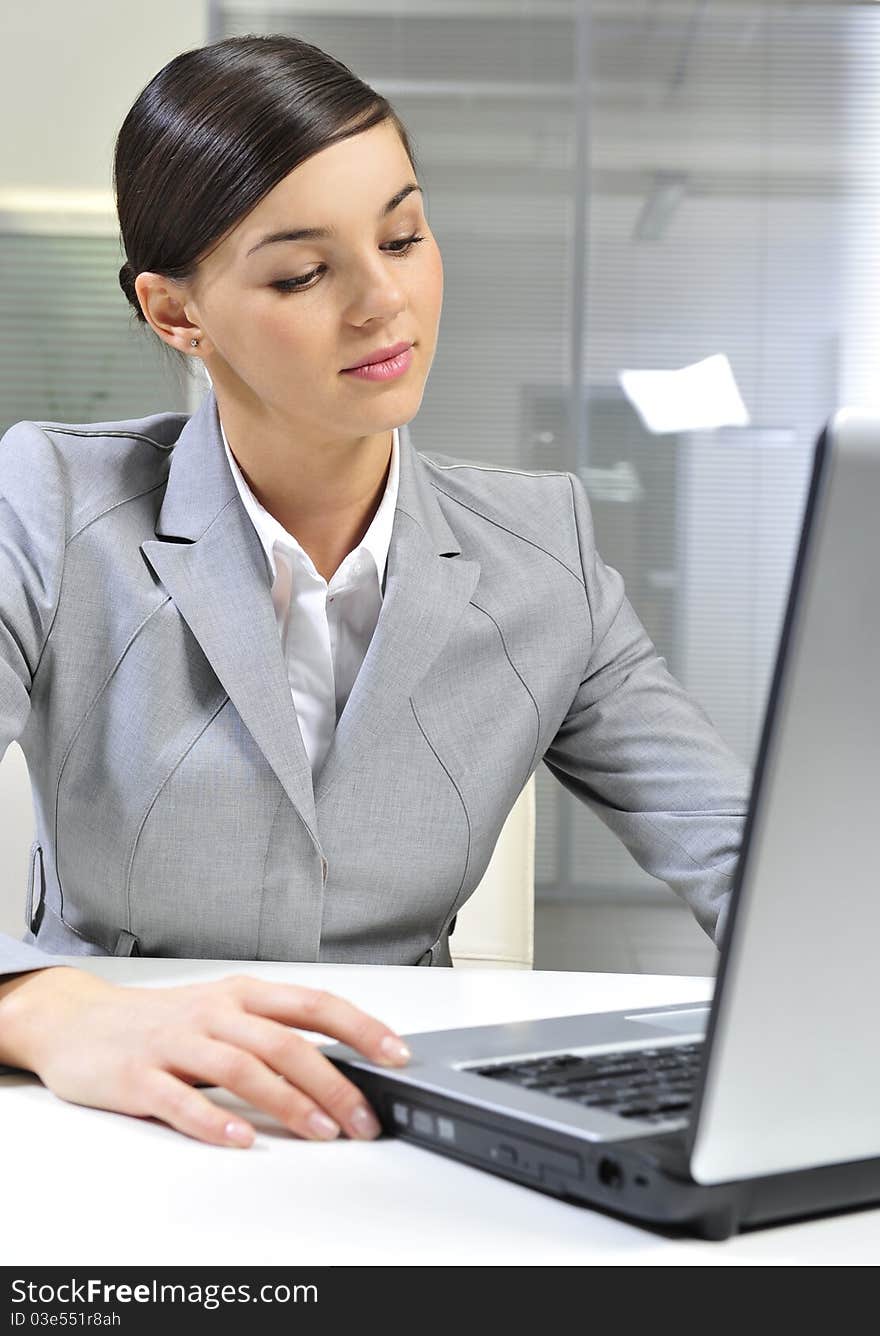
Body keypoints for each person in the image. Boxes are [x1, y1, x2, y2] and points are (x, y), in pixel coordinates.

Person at [0, 35, 751, 1151]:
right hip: (119, 1112)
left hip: (402, 1112)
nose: (382, 300)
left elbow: (739, 853)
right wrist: (36, 1005)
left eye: (402, 236)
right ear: (175, 314)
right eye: (303, 273)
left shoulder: (540, 551)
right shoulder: (56, 500)